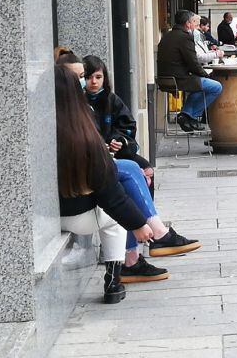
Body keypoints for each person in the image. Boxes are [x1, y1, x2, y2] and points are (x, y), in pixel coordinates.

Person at [56, 66, 151, 303]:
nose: (86, 82)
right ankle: (113, 282)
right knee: (114, 221)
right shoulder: (82, 132)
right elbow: (108, 192)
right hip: (76, 215)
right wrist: (138, 223)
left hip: (44, 219)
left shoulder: (40, 129)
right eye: (80, 78)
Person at [156, 9, 223, 132]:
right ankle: (189, 115)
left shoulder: (167, 36)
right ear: (187, 23)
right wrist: (206, 76)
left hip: (165, 79)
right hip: (179, 79)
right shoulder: (185, 37)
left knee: (200, 86)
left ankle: (185, 115)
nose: (194, 25)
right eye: (193, 21)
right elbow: (193, 63)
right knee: (216, 87)